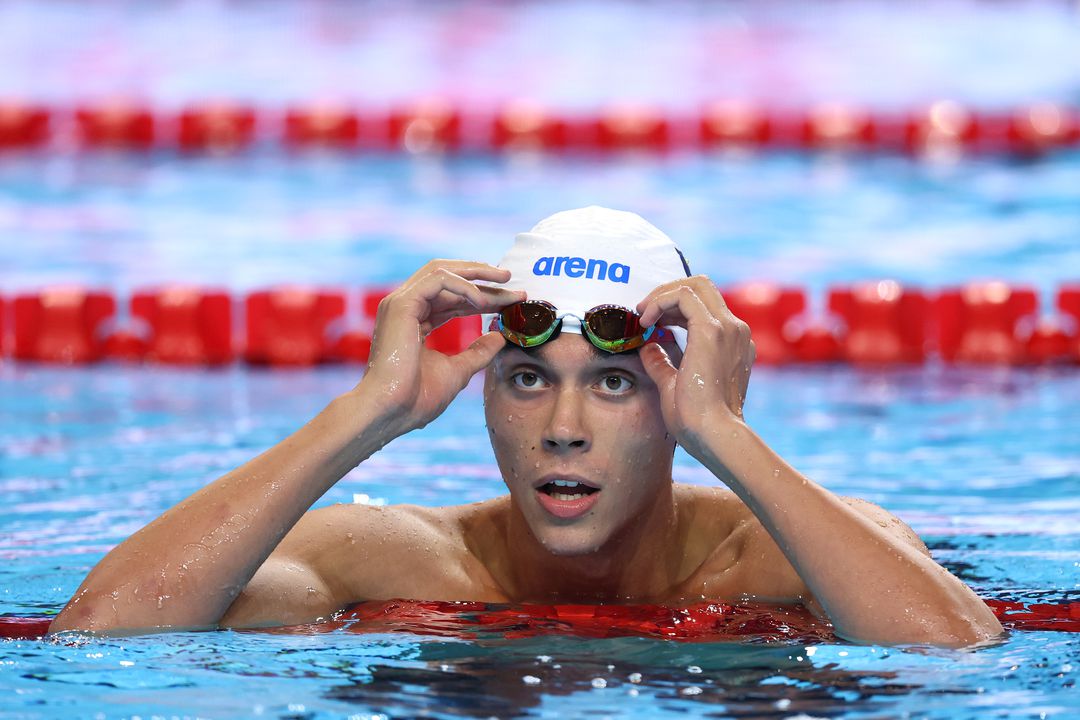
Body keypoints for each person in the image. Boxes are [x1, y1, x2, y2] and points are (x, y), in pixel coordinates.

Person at [50, 206, 1002, 646]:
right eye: (528, 379)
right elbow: (101, 634)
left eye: (615, 385)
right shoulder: (395, 559)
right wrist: (366, 413)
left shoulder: (785, 556)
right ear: (486, 395)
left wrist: (727, 438)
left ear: (676, 401)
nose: (563, 428)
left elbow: (957, 651)